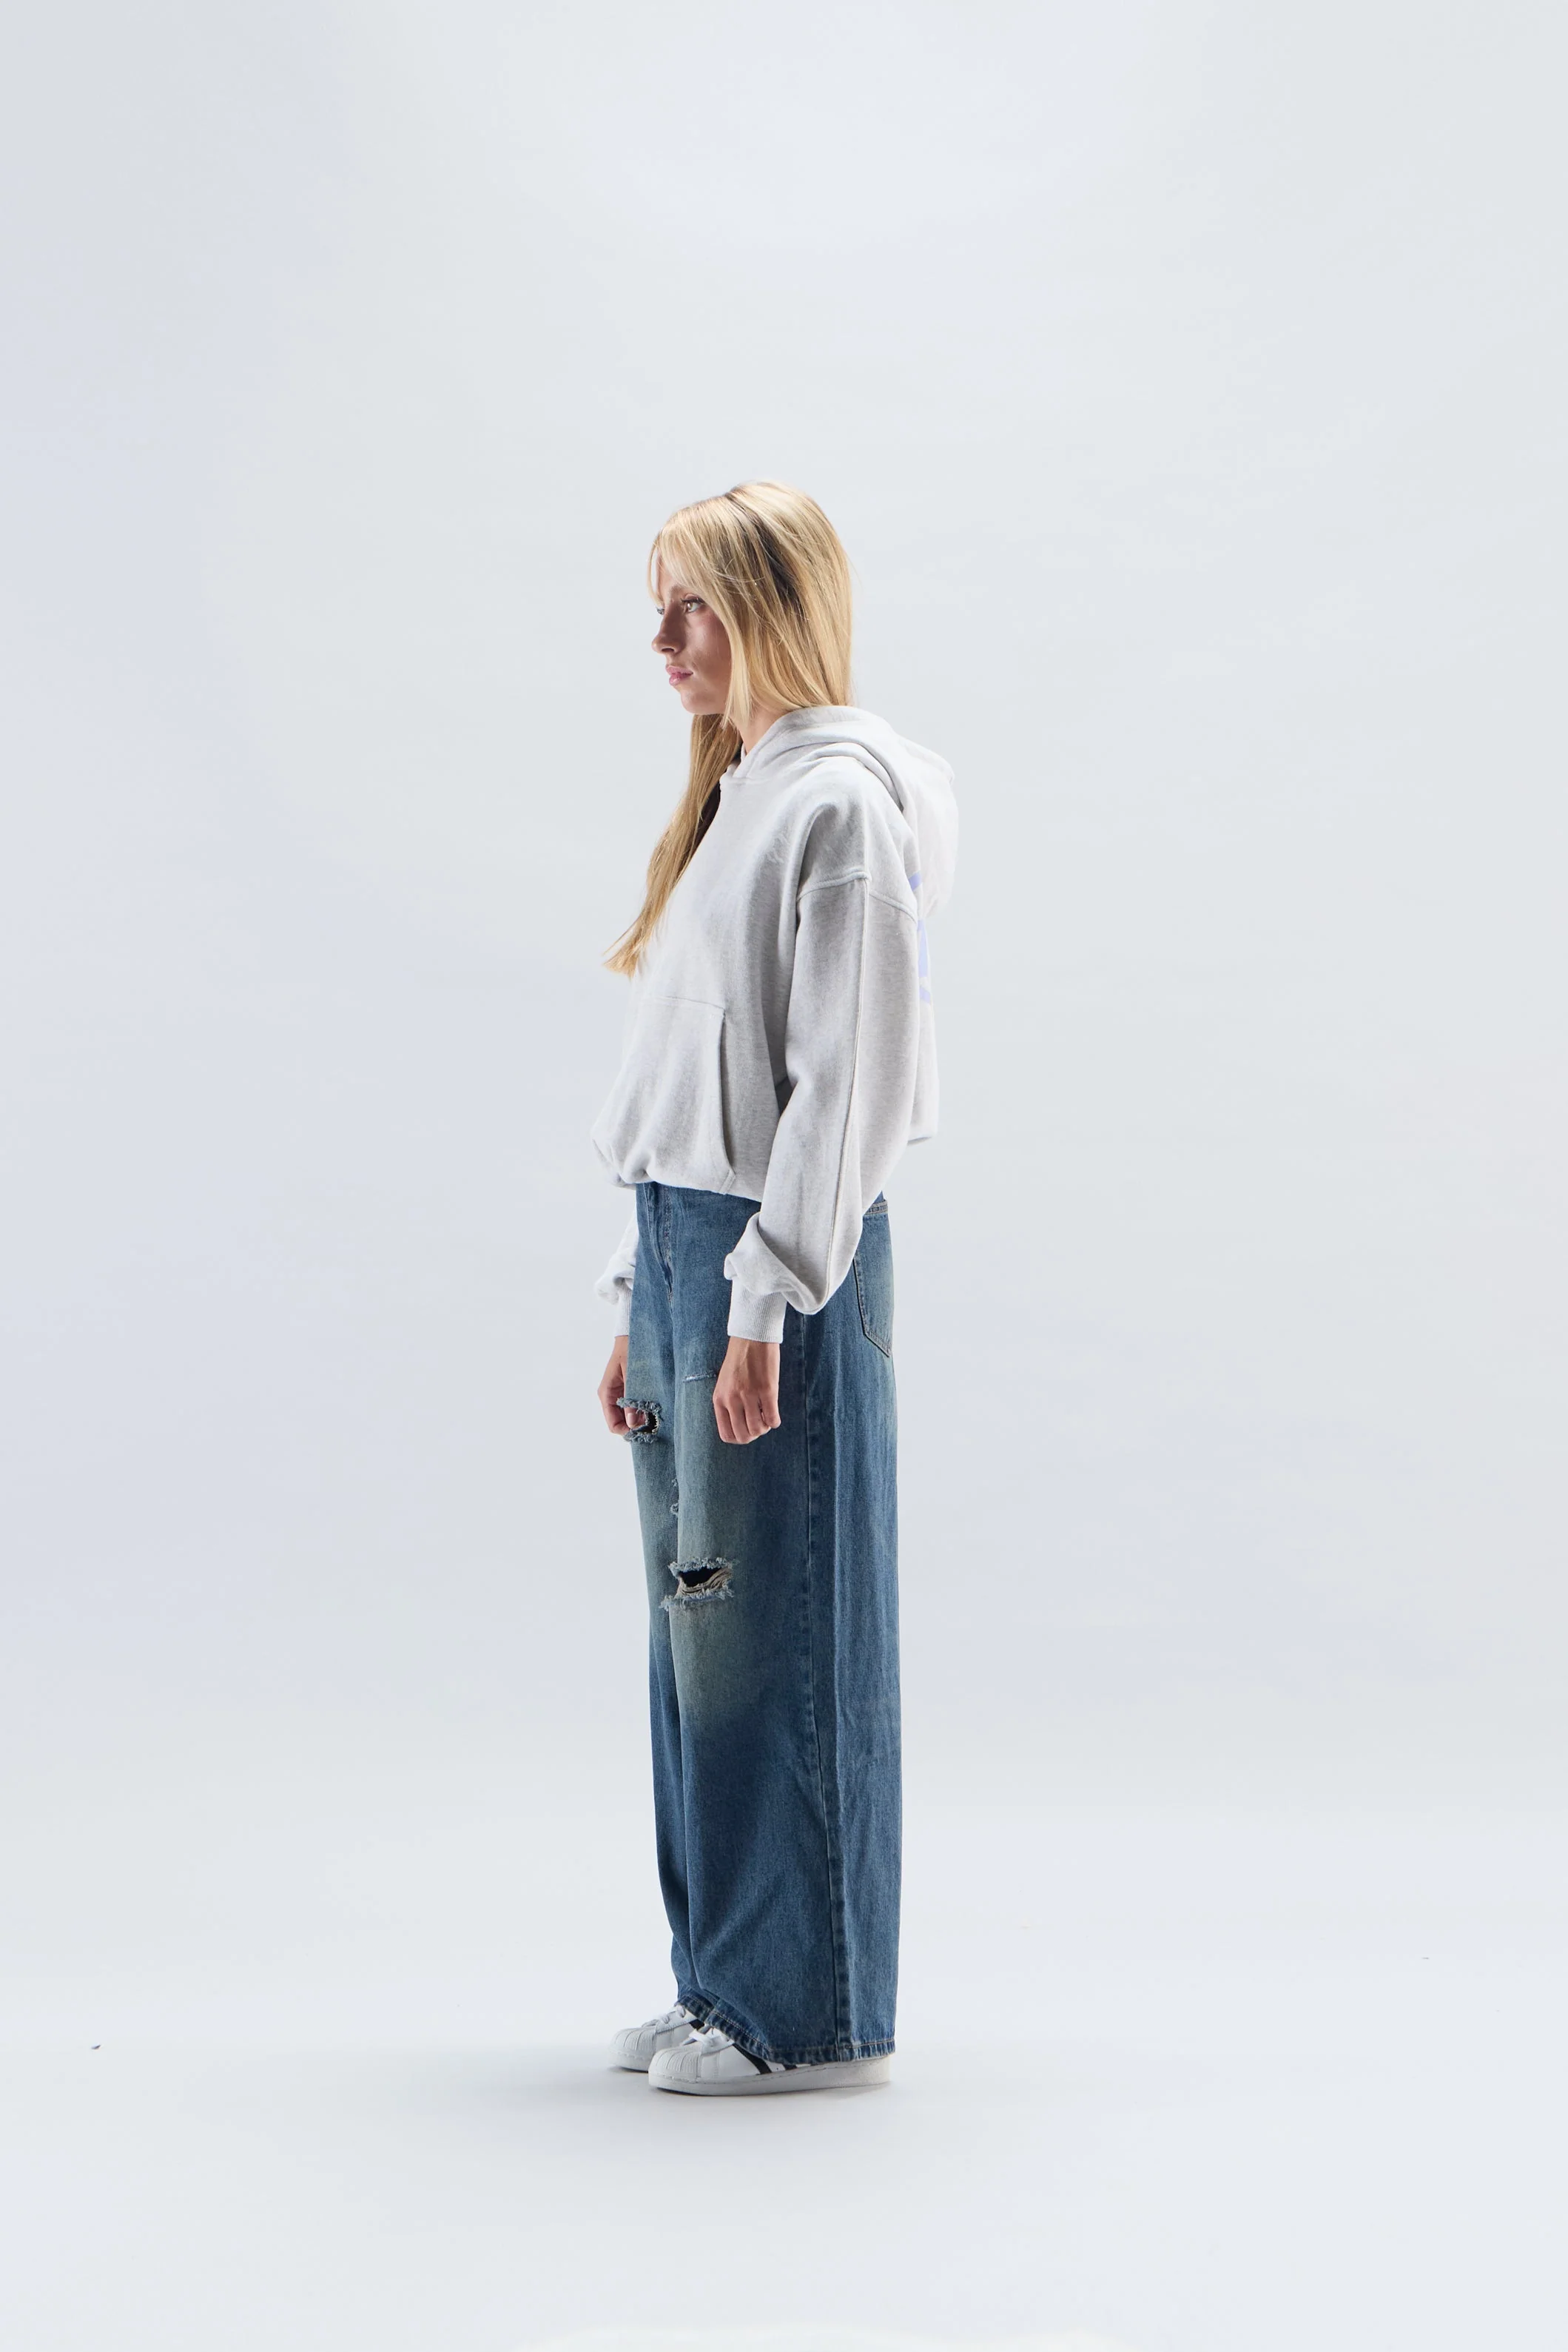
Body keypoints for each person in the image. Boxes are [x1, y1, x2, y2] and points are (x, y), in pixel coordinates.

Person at [590, 481, 958, 2095]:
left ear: (774, 608)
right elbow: (684, 1084)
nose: (665, 639)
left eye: (696, 606)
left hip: (773, 1256)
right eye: (659, 606)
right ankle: (724, 1983)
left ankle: (808, 2015)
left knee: (782, 1625)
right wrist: (639, 1293)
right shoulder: (737, 799)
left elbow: (845, 1090)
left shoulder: (840, 811)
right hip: (689, 1245)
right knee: (703, 1634)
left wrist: (764, 1299)